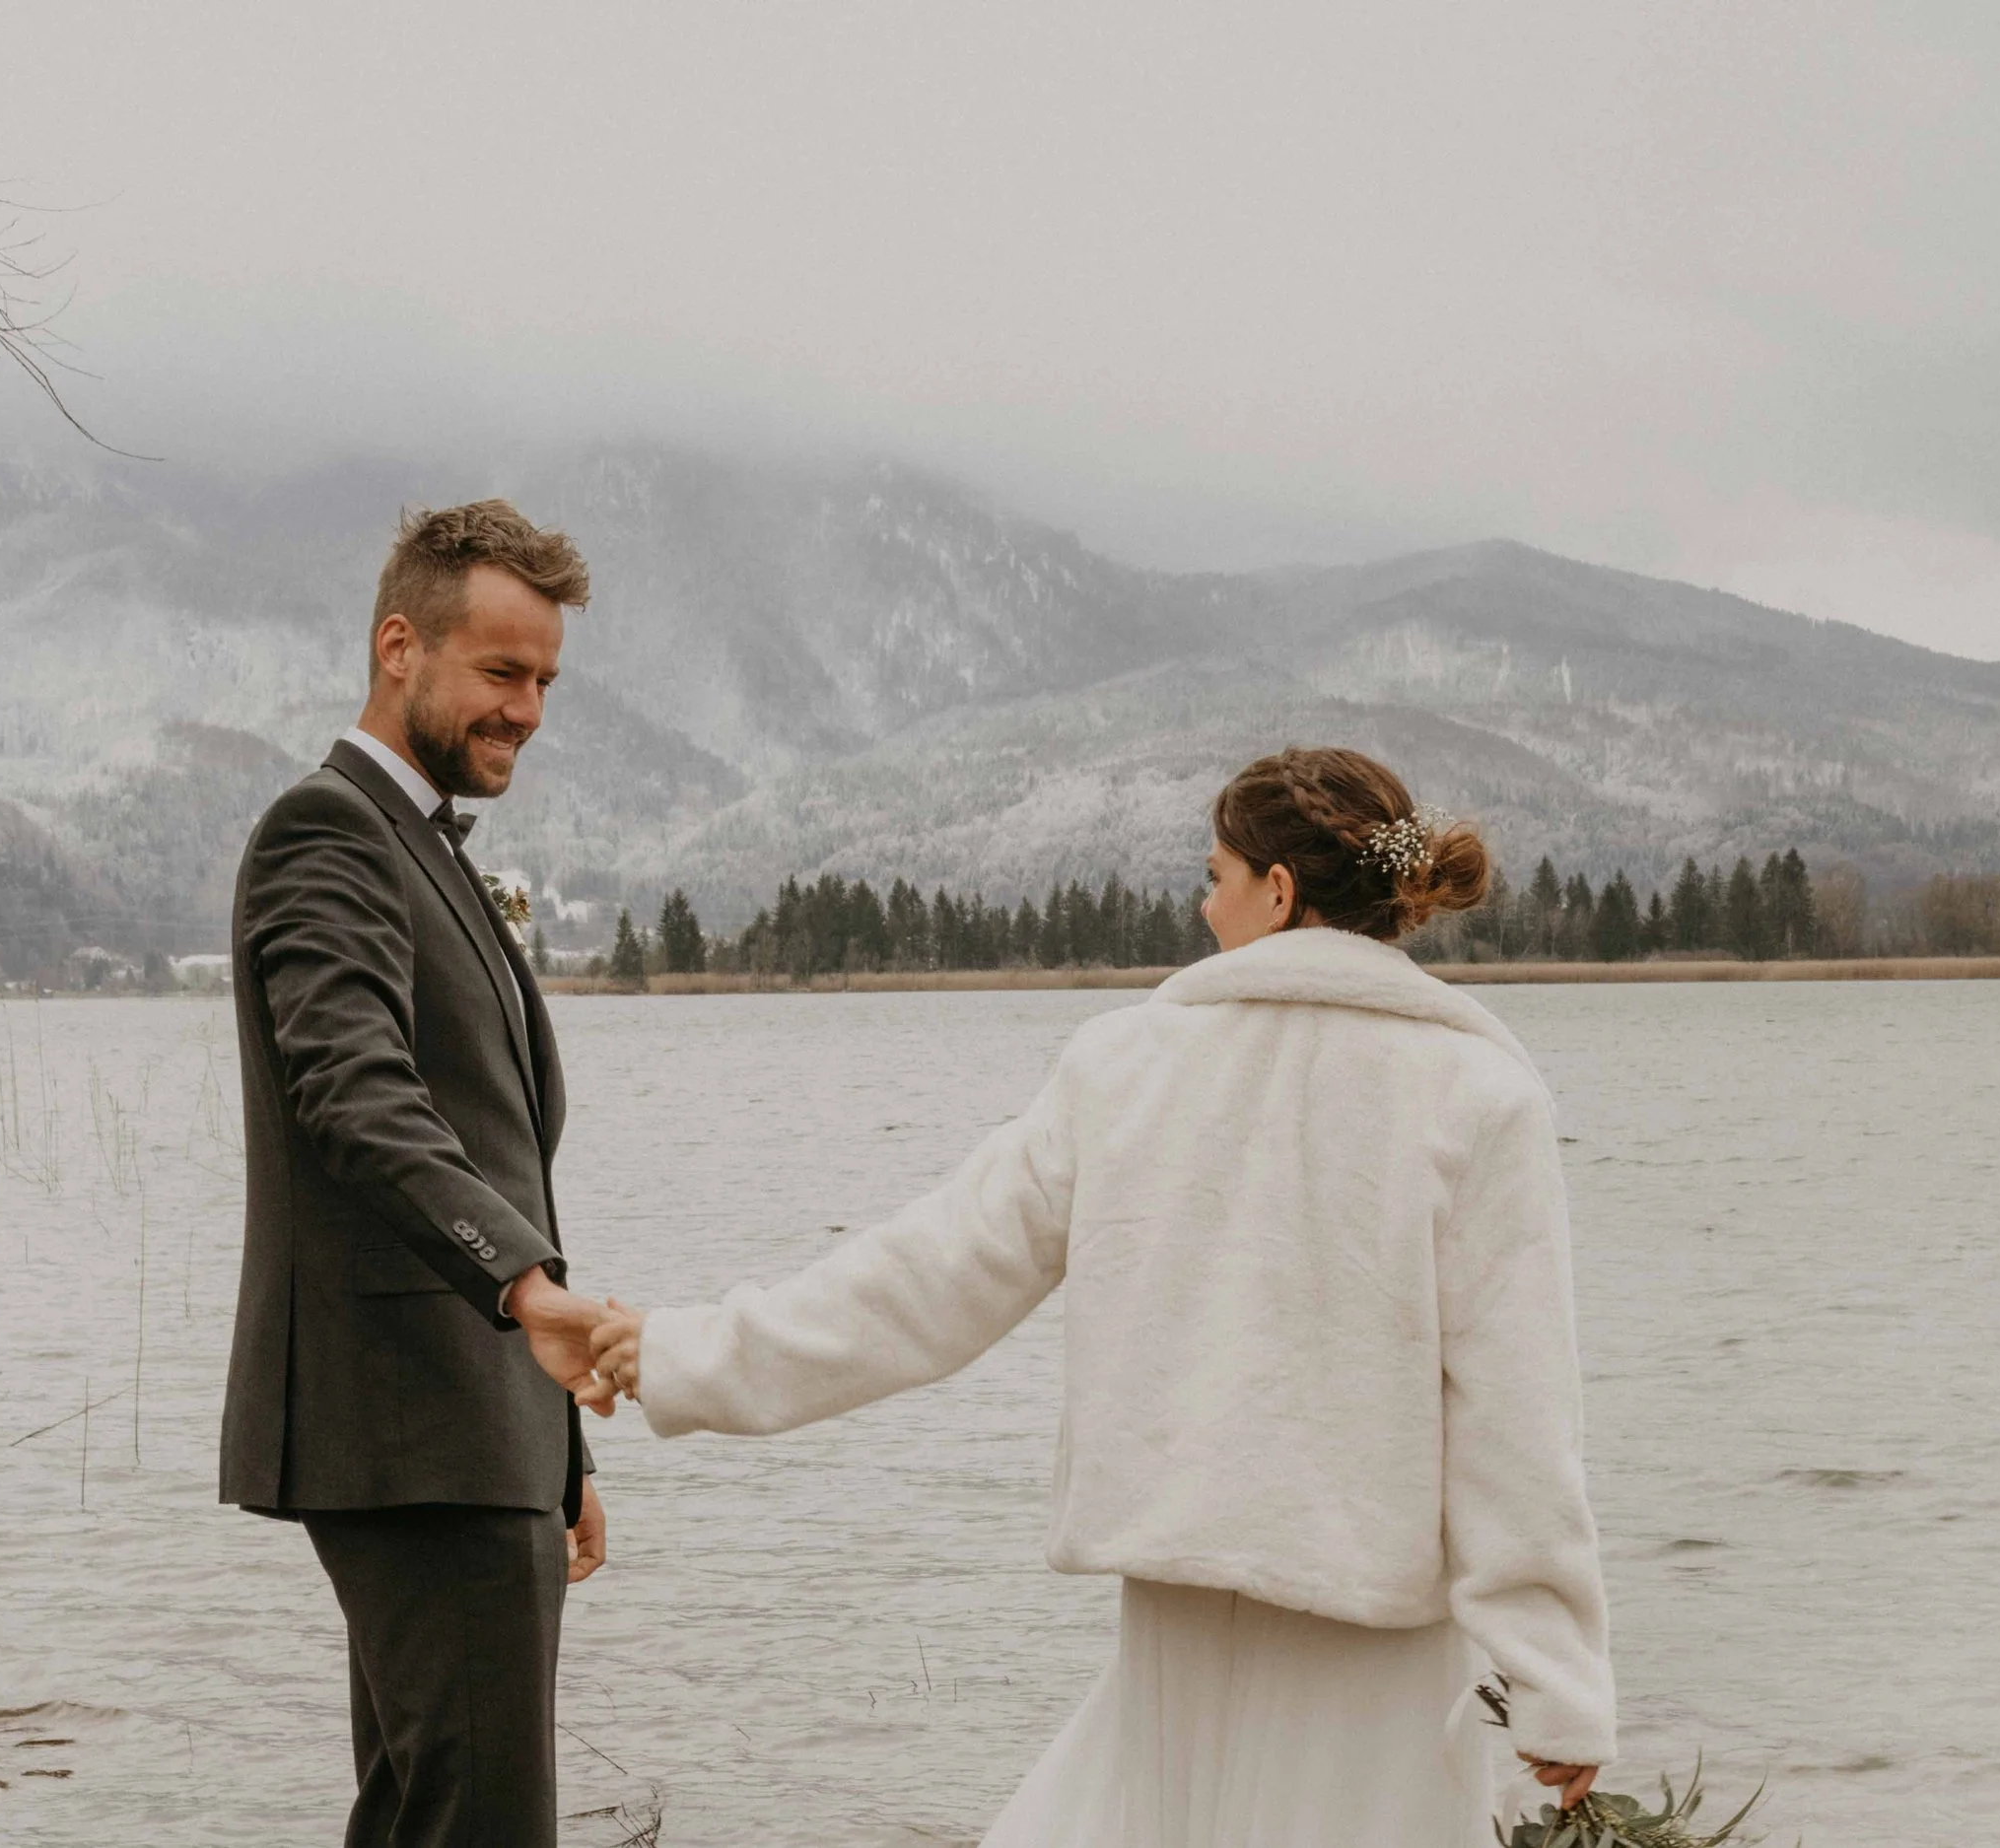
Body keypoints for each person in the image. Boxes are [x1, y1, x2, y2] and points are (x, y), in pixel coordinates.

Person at [579, 746, 1616, 1847]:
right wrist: (1553, 1677)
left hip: (1178, 1607)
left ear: (1278, 891)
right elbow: (1515, 1415)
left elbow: (928, 1281)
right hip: (1370, 1629)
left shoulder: (1125, 1065)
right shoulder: (1480, 1094)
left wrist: (684, 1352)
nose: (1201, 901)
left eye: (1214, 874)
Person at [220, 500, 621, 1848]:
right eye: (503, 672)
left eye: (546, 678)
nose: (530, 708)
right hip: (412, 1432)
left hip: (475, 1433)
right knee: (479, 1823)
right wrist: (524, 1286)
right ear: (402, 646)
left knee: (424, 1814)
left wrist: (553, 1449)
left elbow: (489, 1136)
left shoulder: (421, 843)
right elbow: (356, 1095)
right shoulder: (326, 834)